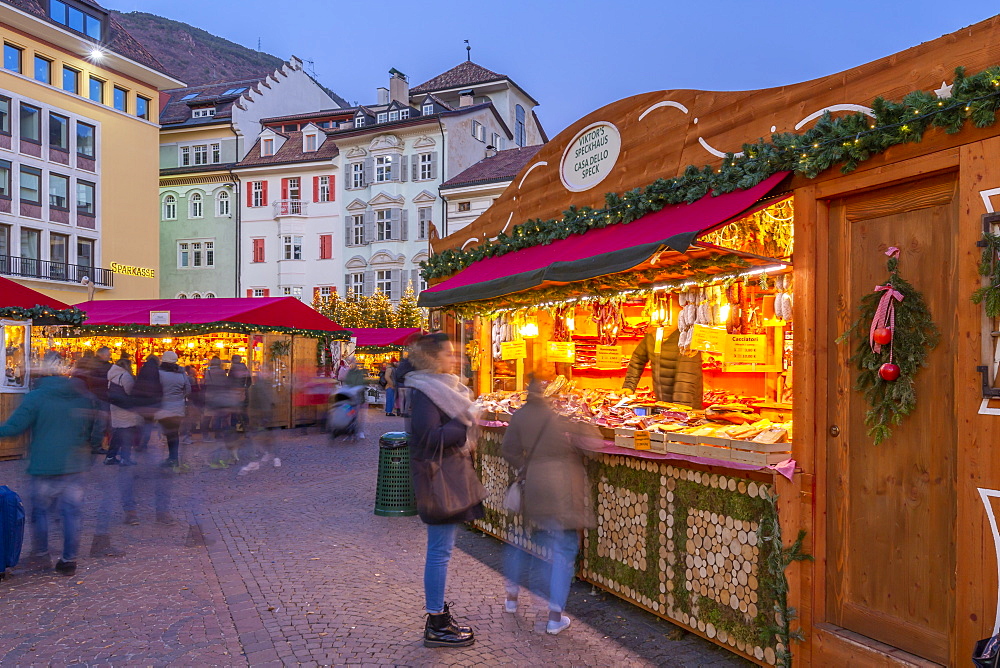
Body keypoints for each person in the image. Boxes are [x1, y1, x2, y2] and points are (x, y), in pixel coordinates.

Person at [501, 377, 597, 635]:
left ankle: (512, 595)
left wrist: (524, 467)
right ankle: (555, 615)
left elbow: (508, 449)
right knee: (564, 546)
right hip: (561, 487)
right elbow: (594, 444)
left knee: (523, 539)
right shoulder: (562, 416)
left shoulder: (520, 415)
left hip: (533, 484)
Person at [407, 333, 481, 648]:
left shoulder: (442, 388)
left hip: (442, 476)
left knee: (442, 551)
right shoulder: (426, 391)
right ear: (433, 358)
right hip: (437, 480)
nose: (454, 358)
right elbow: (428, 436)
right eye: (448, 354)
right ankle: (436, 622)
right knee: (439, 552)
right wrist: (464, 423)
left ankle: (437, 614)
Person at [0, 359, 101, 576]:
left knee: (41, 513)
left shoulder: (36, 397)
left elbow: (14, 427)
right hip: (73, 464)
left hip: (44, 464)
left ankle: (41, 555)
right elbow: (90, 426)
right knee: (71, 513)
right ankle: (68, 560)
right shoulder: (79, 396)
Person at [622, 327, 703, 406]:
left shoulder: (687, 339)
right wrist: (629, 386)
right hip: (663, 403)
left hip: (686, 406)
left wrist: (680, 412)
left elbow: (686, 380)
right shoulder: (652, 336)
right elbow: (638, 358)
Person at [155, 351, 190, 468]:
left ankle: (171, 458)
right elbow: (188, 389)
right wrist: (179, 397)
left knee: (168, 433)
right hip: (178, 408)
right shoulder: (181, 373)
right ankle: (173, 457)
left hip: (163, 408)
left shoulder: (159, 373)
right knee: (174, 433)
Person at [106, 356, 141, 467]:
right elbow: (130, 391)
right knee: (128, 432)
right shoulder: (125, 376)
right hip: (126, 408)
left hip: (115, 406)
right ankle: (125, 458)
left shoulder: (112, 376)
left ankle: (110, 456)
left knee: (117, 432)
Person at [202, 356, 229, 442]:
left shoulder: (208, 372)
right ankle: (217, 434)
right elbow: (225, 382)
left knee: (207, 416)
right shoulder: (222, 372)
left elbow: (204, 382)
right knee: (218, 416)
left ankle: (205, 435)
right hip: (219, 395)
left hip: (209, 395)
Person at [394, 353, 414, 418]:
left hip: (399, 384)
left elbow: (396, 374)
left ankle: (402, 412)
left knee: (401, 399)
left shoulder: (401, 365)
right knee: (408, 399)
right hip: (406, 384)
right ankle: (405, 412)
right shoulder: (411, 365)